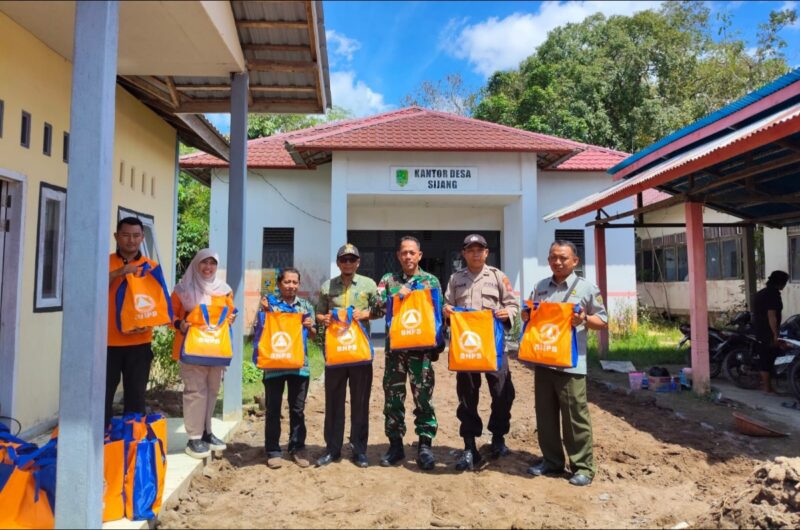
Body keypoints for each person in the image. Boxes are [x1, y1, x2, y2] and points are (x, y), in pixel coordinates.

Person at [526, 240, 607, 487]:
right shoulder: (540, 287)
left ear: (575, 261)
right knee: (545, 416)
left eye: (563, 258)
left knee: (575, 417)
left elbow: (602, 320)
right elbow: (529, 314)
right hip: (543, 361)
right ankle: (552, 462)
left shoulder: (586, 288)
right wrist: (525, 314)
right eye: (553, 257)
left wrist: (583, 319)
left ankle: (582, 466)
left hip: (572, 366)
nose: (557, 262)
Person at [443, 234, 519, 471]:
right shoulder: (456, 279)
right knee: (467, 396)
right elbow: (446, 306)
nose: (475, 253)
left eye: (480, 250)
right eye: (470, 250)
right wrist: (446, 312)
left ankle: (498, 437)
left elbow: (514, 305)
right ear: (463, 254)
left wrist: (509, 313)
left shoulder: (498, 276)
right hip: (466, 348)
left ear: (486, 253)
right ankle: (469, 445)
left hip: (494, 347)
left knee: (503, 393)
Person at [373, 236, 443, 470]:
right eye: (404, 252)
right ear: (398, 256)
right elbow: (376, 307)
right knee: (393, 399)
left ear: (419, 255)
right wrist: (396, 296)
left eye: (412, 252)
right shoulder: (388, 280)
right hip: (395, 354)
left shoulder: (430, 281)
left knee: (423, 398)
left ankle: (424, 446)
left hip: (421, 354)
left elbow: (438, 316)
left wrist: (437, 347)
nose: (408, 256)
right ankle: (395, 445)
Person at [315, 243, 380, 468]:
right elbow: (319, 313)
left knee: (360, 402)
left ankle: (359, 449)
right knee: (333, 402)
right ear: (338, 262)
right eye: (344, 260)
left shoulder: (369, 285)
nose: (348, 263)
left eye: (352, 259)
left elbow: (381, 309)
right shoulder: (327, 287)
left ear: (358, 262)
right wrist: (322, 319)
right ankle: (332, 449)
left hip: (360, 353)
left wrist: (367, 314)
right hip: (336, 354)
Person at [171, 248, 236, 459]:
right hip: (192, 348)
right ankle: (194, 437)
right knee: (195, 391)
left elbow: (229, 311)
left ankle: (207, 432)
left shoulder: (224, 289)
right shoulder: (182, 290)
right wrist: (180, 324)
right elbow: (169, 314)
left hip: (215, 349)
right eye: (204, 263)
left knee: (212, 390)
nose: (208, 268)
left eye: (212, 263)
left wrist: (231, 318)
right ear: (196, 265)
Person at [260, 267, 317, 469]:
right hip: (274, 364)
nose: (291, 286)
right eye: (287, 282)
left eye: (295, 282)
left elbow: (313, 335)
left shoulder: (306, 306)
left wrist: (310, 326)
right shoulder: (269, 304)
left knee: (297, 409)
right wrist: (265, 312)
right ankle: (273, 450)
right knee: (273, 409)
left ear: (299, 285)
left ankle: (297, 447)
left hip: (299, 366)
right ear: (279, 284)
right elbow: (260, 329)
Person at [106, 217, 160, 426]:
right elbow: (91, 288)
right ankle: (101, 444)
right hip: (107, 343)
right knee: (102, 396)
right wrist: (120, 273)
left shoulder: (151, 267)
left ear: (142, 237)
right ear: (116, 237)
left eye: (136, 236)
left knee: (136, 398)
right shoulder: (105, 262)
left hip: (139, 342)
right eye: (126, 235)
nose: (131, 240)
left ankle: (134, 445)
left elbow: (159, 303)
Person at [753, 270, 790, 394]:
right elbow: (771, 316)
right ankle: (767, 388)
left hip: (759, 328)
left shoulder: (762, 293)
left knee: (766, 357)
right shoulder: (772, 295)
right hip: (766, 331)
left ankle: (767, 386)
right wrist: (775, 334)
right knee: (767, 358)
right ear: (780, 282)